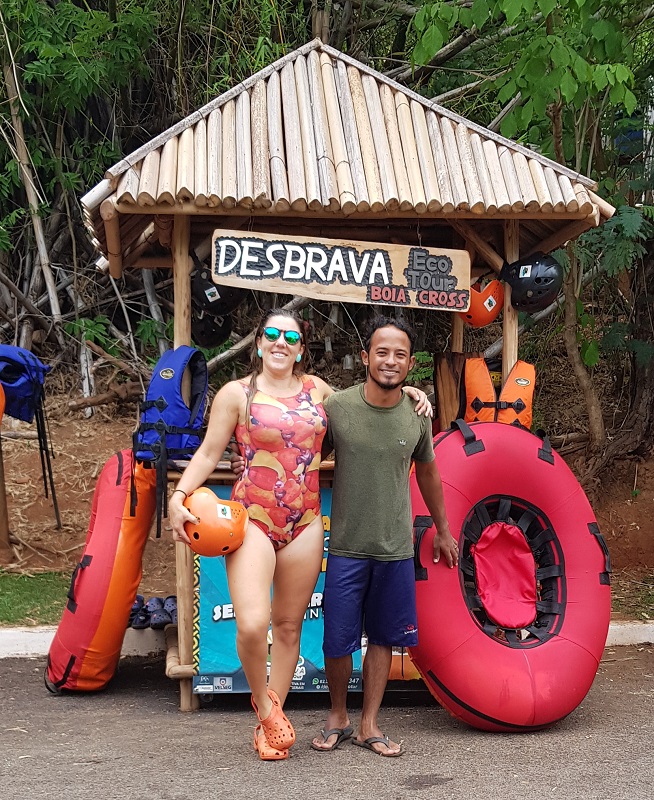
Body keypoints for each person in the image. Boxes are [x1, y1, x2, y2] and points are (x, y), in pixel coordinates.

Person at [168, 309, 431, 761]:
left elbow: (367, 400)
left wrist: (408, 391)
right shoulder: (236, 393)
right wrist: (181, 492)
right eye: (271, 333)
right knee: (253, 623)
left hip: (306, 522)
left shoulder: (319, 393)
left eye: (290, 336)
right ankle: (267, 707)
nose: (280, 342)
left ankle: (270, 724)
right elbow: (211, 450)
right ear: (258, 342)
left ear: (301, 348)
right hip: (252, 519)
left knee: (288, 626)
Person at [310, 316, 457, 757]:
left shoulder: (417, 415)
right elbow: (303, 454)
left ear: (410, 364)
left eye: (399, 354)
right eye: (381, 351)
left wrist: (444, 531)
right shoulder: (337, 408)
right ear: (366, 356)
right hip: (346, 547)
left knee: (384, 638)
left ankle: (368, 724)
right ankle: (338, 715)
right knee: (337, 639)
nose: (389, 361)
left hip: (394, 548)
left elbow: (429, 473)